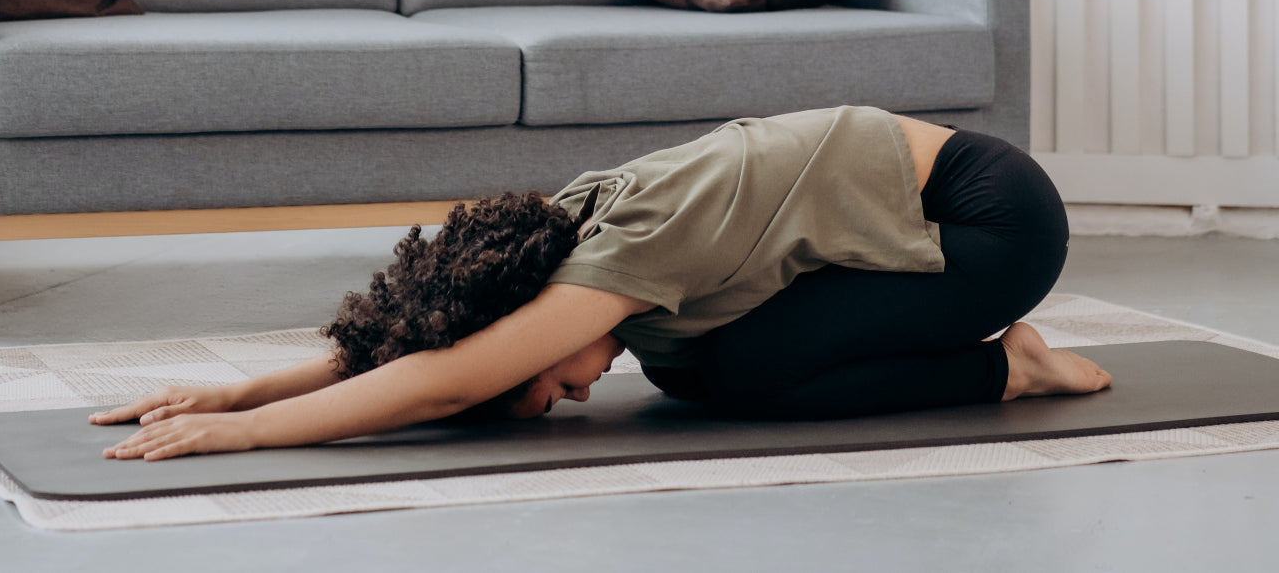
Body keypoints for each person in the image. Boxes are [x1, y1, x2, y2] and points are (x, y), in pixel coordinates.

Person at [90, 106, 1112, 461]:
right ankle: (992, 360)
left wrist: (249, 433)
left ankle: (1010, 367)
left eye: (538, 386)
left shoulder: (615, 256)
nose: (566, 393)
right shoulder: (544, 244)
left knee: (739, 371)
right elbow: (426, 345)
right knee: (693, 370)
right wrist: (237, 385)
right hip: (914, 217)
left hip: (990, 223)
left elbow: (445, 379)